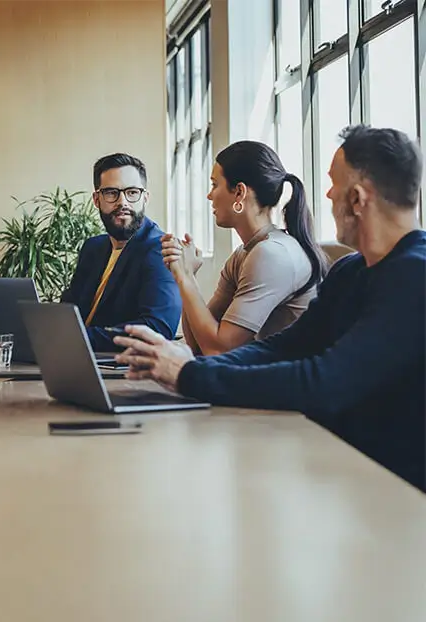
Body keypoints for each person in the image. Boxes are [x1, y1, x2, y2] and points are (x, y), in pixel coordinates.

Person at [115, 125, 426, 491]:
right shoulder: (351, 271)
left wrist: (190, 375)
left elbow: (325, 381)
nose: (326, 193)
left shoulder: (415, 275)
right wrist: (189, 367)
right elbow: (283, 347)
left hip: (395, 492)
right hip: (339, 466)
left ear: (357, 199)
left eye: (333, 184)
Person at [161, 141, 326, 356]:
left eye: (214, 185)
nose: (209, 196)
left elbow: (217, 350)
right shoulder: (245, 253)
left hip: (290, 383)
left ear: (239, 192)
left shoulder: (272, 254)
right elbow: (198, 346)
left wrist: (185, 278)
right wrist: (186, 275)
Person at [60, 153, 181, 351]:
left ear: (145, 198)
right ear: (97, 199)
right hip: (75, 358)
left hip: (123, 371)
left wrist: (77, 337)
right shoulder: (93, 248)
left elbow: (158, 328)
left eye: (132, 192)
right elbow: (69, 310)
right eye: (111, 193)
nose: (122, 202)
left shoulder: (160, 250)